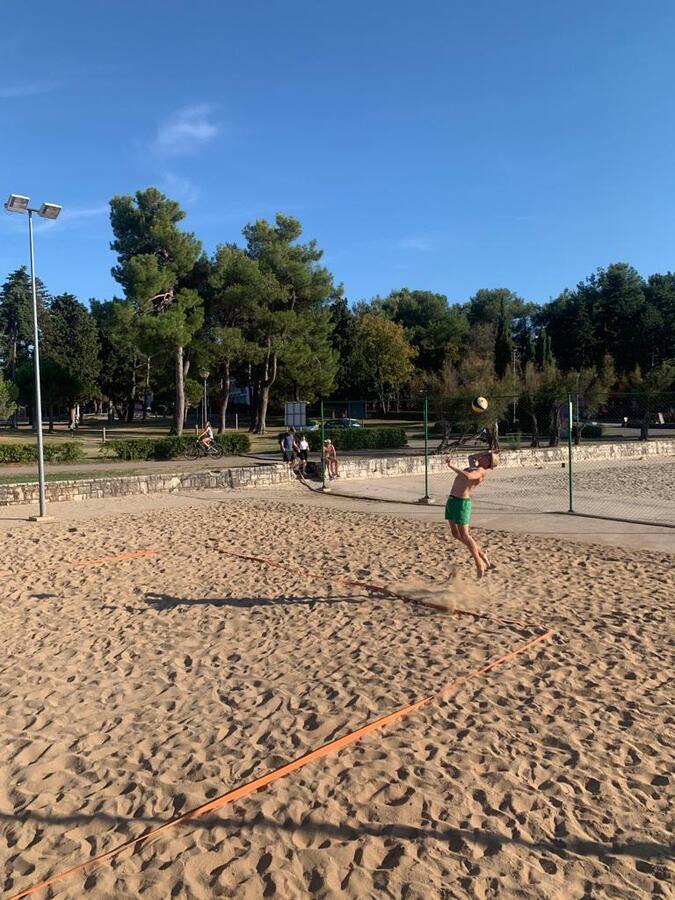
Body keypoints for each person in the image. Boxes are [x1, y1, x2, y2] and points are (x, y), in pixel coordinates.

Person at [445, 450, 499, 578]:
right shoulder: (474, 466)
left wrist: (451, 466)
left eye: (486, 457)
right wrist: (485, 452)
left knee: (465, 535)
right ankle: (481, 553)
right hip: (452, 500)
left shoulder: (480, 471)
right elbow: (471, 456)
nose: (483, 456)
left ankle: (479, 564)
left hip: (462, 503)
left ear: (488, 462)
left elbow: (468, 477)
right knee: (455, 534)